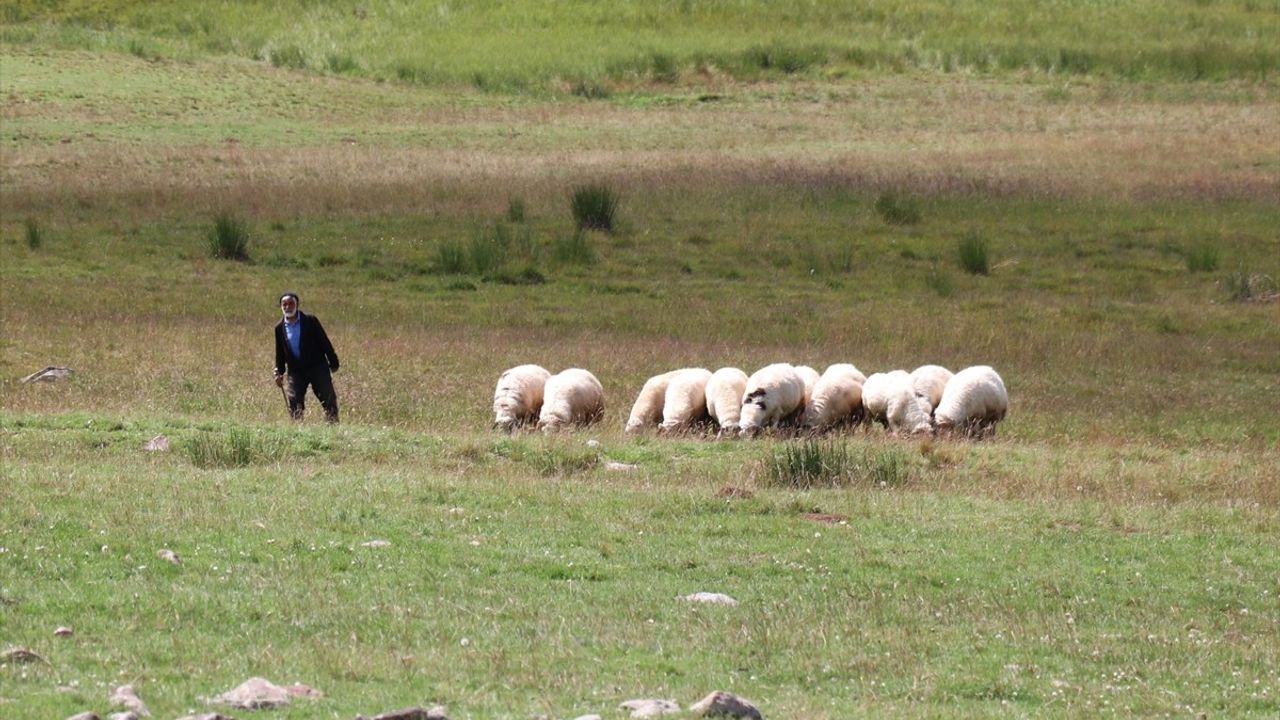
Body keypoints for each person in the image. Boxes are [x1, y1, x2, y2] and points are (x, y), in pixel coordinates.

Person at [273, 291, 340, 423]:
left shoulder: (310, 320)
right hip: (296, 371)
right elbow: (280, 352)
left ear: (297, 304)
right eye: (284, 304)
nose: (287, 307)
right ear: (281, 306)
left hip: (317, 367)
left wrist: (333, 361)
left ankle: (333, 428)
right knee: (294, 400)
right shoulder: (279, 327)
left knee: (328, 399)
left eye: (291, 303)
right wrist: (279, 372)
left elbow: (324, 341)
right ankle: (298, 430)